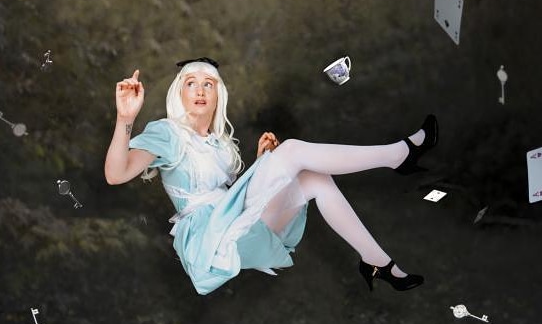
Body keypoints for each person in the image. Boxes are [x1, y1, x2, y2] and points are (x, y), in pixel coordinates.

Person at [104, 57, 438, 295]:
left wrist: (264, 166)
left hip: (237, 227)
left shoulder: (221, 144)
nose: (200, 90)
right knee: (291, 150)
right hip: (210, 241)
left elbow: (232, 198)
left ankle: (377, 263)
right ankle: (398, 155)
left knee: (316, 181)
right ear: (180, 93)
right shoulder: (168, 133)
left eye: (208, 84)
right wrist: (125, 119)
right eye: (191, 84)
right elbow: (116, 175)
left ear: (218, 95)